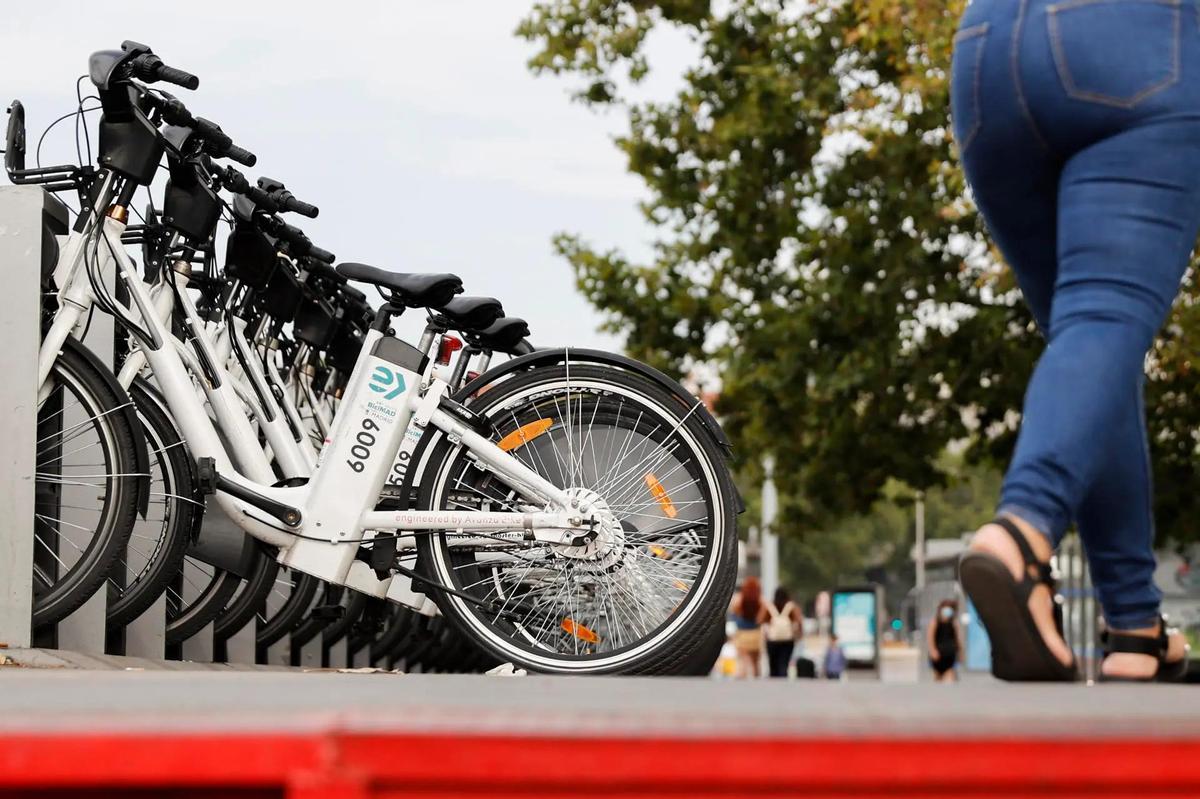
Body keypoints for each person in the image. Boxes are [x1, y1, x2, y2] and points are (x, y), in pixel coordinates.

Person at [950, 0, 1192, 682]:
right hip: (1138, 42)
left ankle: (1135, 628)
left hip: (986, 53)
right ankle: (1024, 532)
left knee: (1091, 337)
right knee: (1106, 316)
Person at [728, 576, 766, 678]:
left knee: (743, 662)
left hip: (742, 635)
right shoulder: (760, 601)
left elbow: (733, 612)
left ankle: (741, 685)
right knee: (756, 663)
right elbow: (761, 619)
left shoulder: (740, 599)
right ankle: (757, 684)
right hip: (755, 635)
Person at [764, 587, 803, 678]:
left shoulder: (770, 607)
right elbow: (799, 621)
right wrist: (798, 635)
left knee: (773, 665)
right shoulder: (791, 607)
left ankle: (773, 683)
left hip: (772, 640)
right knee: (784, 663)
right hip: (787, 640)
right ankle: (783, 681)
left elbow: (761, 620)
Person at [926, 599, 964, 683]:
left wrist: (960, 653)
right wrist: (933, 651)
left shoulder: (953, 623)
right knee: (938, 680)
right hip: (938, 656)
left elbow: (957, 639)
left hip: (950, 655)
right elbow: (930, 637)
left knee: (950, 680)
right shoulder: (935, 622)